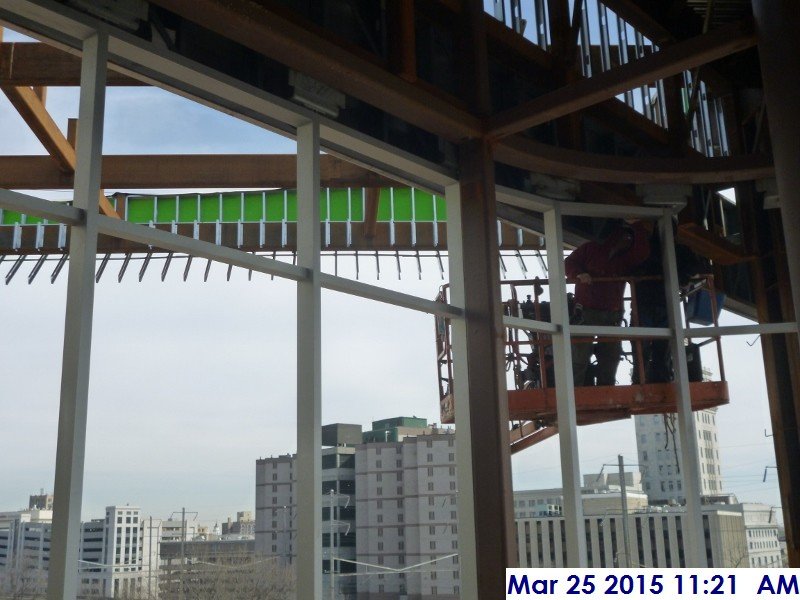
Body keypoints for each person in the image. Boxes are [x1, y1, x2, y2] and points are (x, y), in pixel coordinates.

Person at [565, 219, 649, 386]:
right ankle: (575, 391)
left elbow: (642, 253)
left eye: (629, 237)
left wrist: (637, 225)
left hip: (611, 314)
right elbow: (568, 263)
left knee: (611, 355)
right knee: (580, 356)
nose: (628, 240)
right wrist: (579, 274)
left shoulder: (625, 258)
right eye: (625, 236)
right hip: (587, 312)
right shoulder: (590, 249)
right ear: (614, 236)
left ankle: (606, 387)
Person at [632, 221, 708, 383]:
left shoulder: (647, 249)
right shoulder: (678, 250)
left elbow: (632, 267)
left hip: (650, 302)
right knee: (658, 343)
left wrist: (681, 277)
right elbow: (696, 267)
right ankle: (657, 376)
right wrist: (682, 278)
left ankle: (644, 378)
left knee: (646, 343)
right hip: (661, 302)